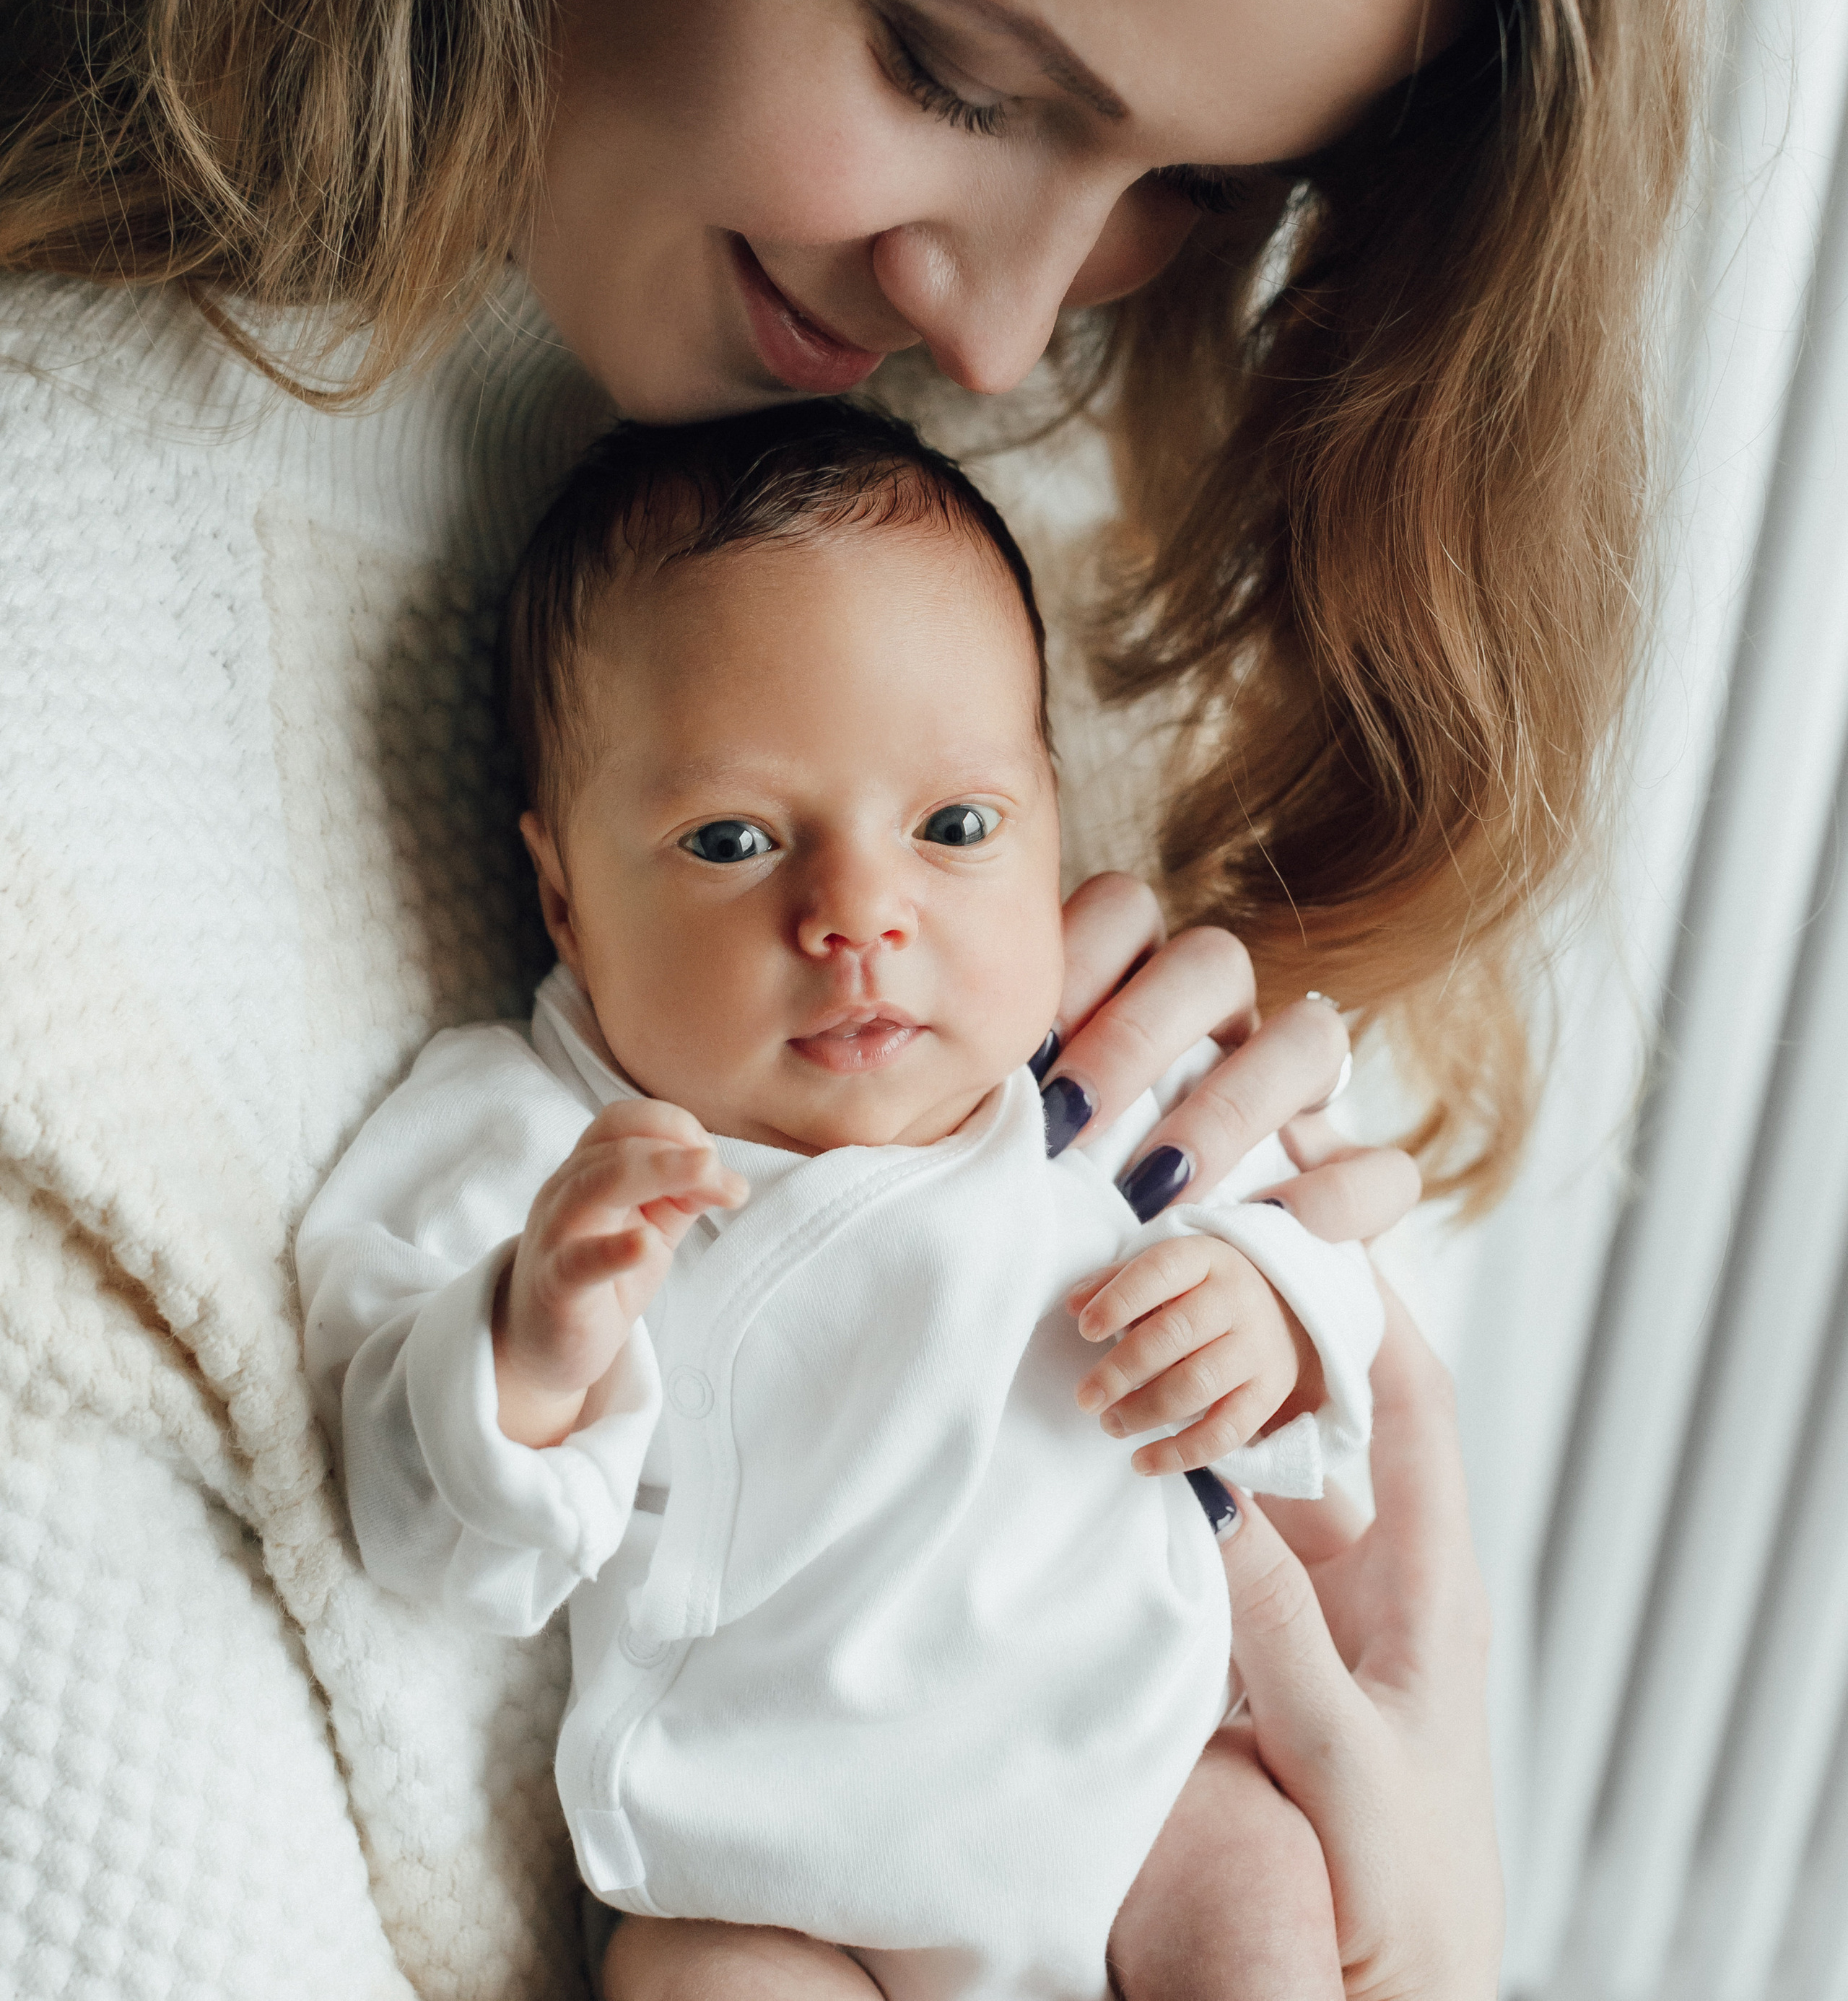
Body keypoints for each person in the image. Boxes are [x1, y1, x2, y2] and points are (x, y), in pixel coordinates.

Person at [0, 0, 1699, 1993]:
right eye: (954, 72)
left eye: (1184, 192)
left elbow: (1341, 1692)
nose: (1007, 326)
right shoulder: (57, 728)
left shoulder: (1107, 611)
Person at [300, 399, 1388, 1998]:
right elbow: (405, 1517)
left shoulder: (1088, 1081)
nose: (858, 915)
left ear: (1047, 826)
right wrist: (524, 1350)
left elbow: (1324, 1264)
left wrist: (1269, 1309)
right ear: (560, 894)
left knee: (1263, 1899)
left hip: (1137, 1786)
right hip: (772, 1881)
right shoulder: (542, 1138)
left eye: (953, 828)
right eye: (732, 841)